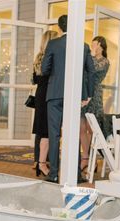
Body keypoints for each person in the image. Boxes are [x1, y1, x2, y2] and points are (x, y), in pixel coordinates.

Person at [41, 14, 95, 183]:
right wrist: (88, 94)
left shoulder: (53, 44)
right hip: (74, 95)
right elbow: (91, 72)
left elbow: (44, 69)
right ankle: (76, 174)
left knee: (54, 134)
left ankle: (54, 173)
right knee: (74, 134)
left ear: (60, 28)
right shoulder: (83, 46)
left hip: (55, 94)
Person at [79, 36, 110, 174]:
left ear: (101, 46)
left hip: (95, 95)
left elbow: (94, 69)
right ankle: (84, 157)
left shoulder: (104, 61)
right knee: (81, 128)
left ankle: (92, 159)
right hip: (83, 93)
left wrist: (90, 56)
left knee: (92, 129)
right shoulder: (88, 58)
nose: (92, 47)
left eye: (94, 44)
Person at [32, 30, 59, 178]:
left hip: (40, 94)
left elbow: (35, 80)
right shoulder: (50, 58)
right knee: (47, 131)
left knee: (43, 130)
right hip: (48, 95)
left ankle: (40, 162)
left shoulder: (38, 58)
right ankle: (42, 163)